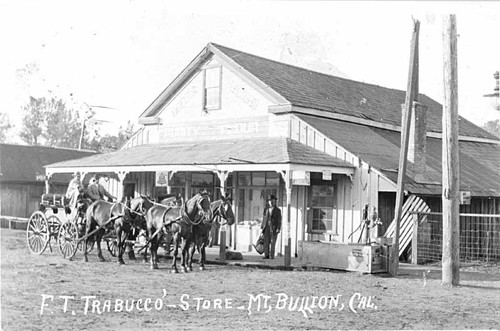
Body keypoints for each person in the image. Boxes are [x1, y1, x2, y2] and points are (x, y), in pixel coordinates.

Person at [261, 194, 282, 259]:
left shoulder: (278, 210)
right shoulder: (266, 209)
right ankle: (266, 255)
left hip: (273, 227)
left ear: (275, 201)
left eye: (272, 200)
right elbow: (264, 218)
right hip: (266, 227)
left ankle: (272, 255)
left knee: (273, 242)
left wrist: (278, 228)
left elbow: (279, 220)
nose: (271, 202)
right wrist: (262, 227)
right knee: (266, 241)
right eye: (270, 201)